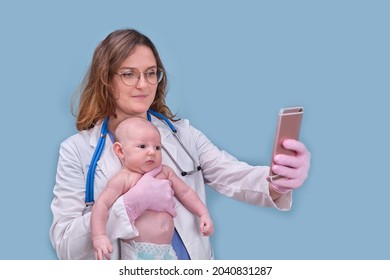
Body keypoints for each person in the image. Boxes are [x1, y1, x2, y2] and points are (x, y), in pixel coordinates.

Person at [50, 28, 311, 260]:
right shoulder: (77, 150)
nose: (143, 84)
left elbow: (234, 175)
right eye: (129, 74)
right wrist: (127, 207)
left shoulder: (182, 135)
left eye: (151, 73)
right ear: (106, 79)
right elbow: (65, 246)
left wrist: (278, 180)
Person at [91, 117, 214, 260]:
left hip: (168, 252)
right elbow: (101, 205)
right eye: (142, 146)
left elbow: (186, 192)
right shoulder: (124, 179)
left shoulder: (165, 172)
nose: (152, 152)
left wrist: (203, 213)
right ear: (120, 151)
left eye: (157, 147)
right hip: (138, 254)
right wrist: (99, 236)